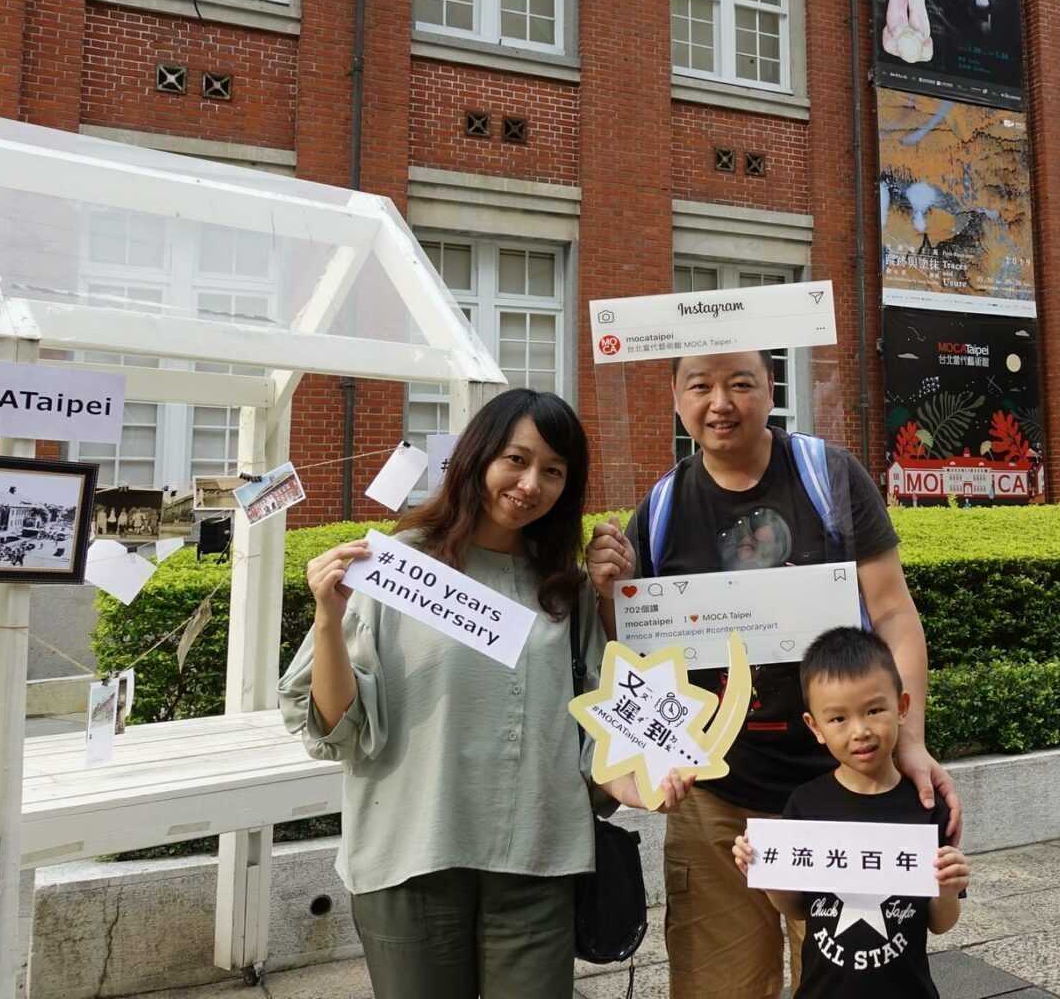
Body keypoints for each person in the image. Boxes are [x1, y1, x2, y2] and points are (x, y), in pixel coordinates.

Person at [277, 390, 688, 999]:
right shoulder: (395, 567)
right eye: (516, 460)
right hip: (412, 854)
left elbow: (599, 718)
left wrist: (635, 777)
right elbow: (336, 724)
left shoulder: (563, 589)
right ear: (477, 459)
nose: (531, 484)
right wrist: (327, 620)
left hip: (538, 860)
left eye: (553, 471)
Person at [586, 350, 959, 999]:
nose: (720, 402)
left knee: (853, 984)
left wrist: (909, 739)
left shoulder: (828, 477)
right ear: (677, 398)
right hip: (714, 803)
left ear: (771, 389)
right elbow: (637, 654)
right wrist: (607, 595)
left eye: (740, 383)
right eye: (700, 386)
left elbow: (894, 611)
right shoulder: (664, 507)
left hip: (837, 793)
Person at [732, 628, 970, 998]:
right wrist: (766, 874)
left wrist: (947, 888)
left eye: (874, 710)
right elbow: (797, 908)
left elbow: (941, 923)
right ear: (815, 728)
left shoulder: (924, 805)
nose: (860, 731)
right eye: (838, 719)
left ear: (902, 707)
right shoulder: (805, 805)